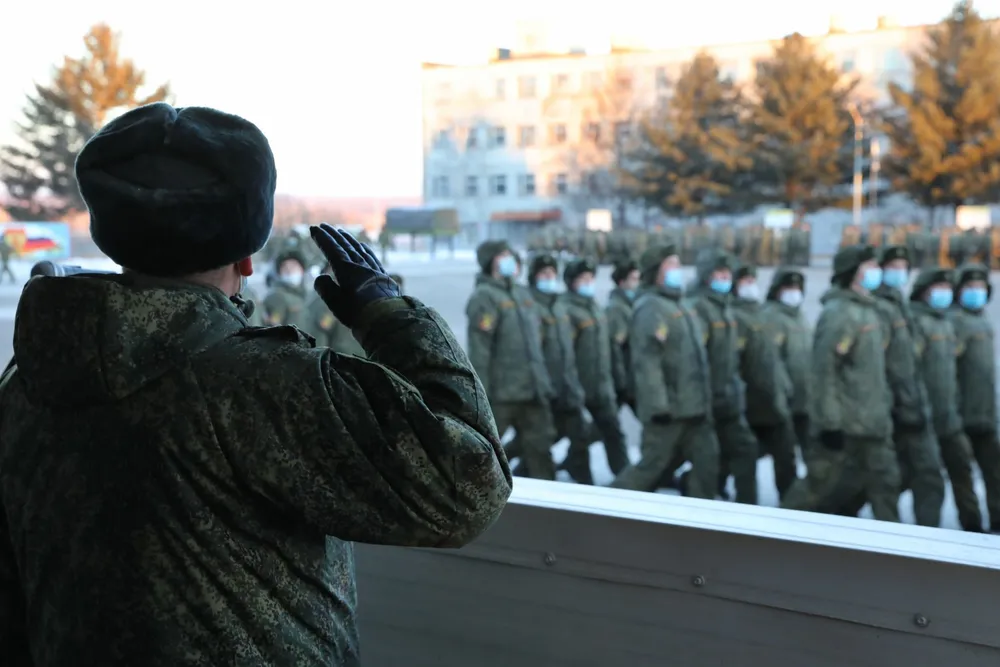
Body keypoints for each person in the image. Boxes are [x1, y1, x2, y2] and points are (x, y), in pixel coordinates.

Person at [0, 103, 511, 667]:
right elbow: (466, 485)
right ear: (247, 255)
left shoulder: (31, 375)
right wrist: (390, 315)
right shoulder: (256, 382)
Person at [782, 244, 900, 522]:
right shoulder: (840, 314)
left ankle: (896, 555)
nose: (876, 271)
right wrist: (829, 423)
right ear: (852, 272)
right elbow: (823, 372)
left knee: (886, 487)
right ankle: (771, 537)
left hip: (873, 425)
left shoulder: (870, 311)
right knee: (816, 489)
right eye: (868, 266)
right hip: (845, 426)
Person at [610, 245, 719, 497]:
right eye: (669, 264)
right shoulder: (651, 308)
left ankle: (701, 523)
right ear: (654, 272)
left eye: (677, 264)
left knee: (707, 464)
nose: (676, 270)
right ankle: (607, 506)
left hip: (694, 408)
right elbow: (648, 362)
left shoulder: (681, 305)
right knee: (649, 470)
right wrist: (658, 407)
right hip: (669, 411)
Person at [466, 240, 556, 479]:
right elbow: (480, 349)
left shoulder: (521, 293)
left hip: (532, 390)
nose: (510, 259)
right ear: (490, 262)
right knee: (483, 452)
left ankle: (547, 507)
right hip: (502, 394)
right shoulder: (484, 297)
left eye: (510, 253)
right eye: (502, 255)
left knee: (541, 452)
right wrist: (481, 394)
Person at [908, 267, 981, 531]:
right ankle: (926, 536)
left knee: (962, 468)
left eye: (947, 289)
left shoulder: (947, 323)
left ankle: (973, 527)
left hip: (949, 416)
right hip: (924, 417)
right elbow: (909, 370)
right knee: (927, 481)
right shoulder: (917, 323)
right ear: (923, 292)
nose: (944, 294)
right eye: (938, 288)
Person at [950, 263, 1000, 533]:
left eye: (980, 287)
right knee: (963, 474)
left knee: (994, 469)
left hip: (986, 413)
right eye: (970, 287)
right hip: (963, 413)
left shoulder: (982, 319)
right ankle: (971, 523)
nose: (976, 292)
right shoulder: (956, 322)